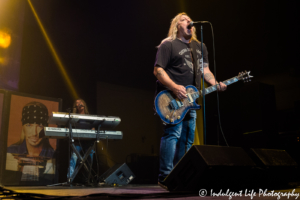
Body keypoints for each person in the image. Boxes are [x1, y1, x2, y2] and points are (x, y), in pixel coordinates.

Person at [153, 12, 227, 189]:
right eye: (184, 20)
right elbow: (158, 70)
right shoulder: (168, 44)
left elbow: (205, 70)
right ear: (177, 25)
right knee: (172, 134)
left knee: (187, 139)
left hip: (192, 99)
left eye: (189, 20)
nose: (189, 21)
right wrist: (174, 87)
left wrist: (215, 83)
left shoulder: (200, 47)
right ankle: (165, 175)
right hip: (172, 97)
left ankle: (181, 175)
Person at [6, 101, 55, 180]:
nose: (34, 133)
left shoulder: (52, 155)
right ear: (23, 127)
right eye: (29, 125)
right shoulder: (11, 151)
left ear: (45, 128)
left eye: (40, 126)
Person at [68, 98, 95, 184]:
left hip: (88, 142)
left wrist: (93, 132)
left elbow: (93, 128)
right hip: (77, 142)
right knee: (74, 158)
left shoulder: (89, 117)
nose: (79, 103)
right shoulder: (74, 117)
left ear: (84, 104)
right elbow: (68, 126)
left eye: (81, 102)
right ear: (75, 106)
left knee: (90, 159)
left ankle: (87, 179)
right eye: (77, 103)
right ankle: (70, 179)